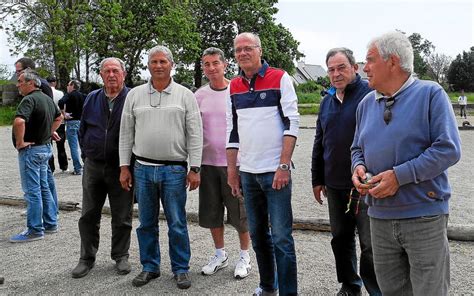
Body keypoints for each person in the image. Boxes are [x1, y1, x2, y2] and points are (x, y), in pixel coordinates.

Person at [351, 31, 461, 296]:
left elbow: (448, 149)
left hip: (423, 216)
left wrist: (399, 177)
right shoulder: (366, 103)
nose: (364, 68)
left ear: (392, 61)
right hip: (378, 217)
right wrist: (358, 167)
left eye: (370, 60)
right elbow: (357, 148)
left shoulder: (430, 94)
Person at [119, 45, 202, 289]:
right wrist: (125, 166)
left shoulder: (185, 95)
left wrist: (194, 168)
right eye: (153, 61)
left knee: (177, 222)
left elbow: (195, 134)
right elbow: (126, 133)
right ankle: (150, 266)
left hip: (174, 170)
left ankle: (180, 268)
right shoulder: (134, 95)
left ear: (171, 65)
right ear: (148, 65)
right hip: (142, 169)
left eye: (163, 62)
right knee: (146, 222)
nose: (158, 66)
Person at [226, 32, 299, 296]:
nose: (243, 53)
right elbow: (231, 131)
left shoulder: (280, 78)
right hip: (248, 173)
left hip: (274, 172)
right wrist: (232, 171)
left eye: (248, 48)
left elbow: (292, 122)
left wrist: (283, 165)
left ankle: (289, 293)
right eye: (238, 50)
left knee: (281, 238)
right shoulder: (233, 86)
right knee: (258, 236)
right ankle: (268, 287)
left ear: (259, 49)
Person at [311, 48, 380, 296]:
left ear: (355, 67)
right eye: (331, 69)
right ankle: (350, 285)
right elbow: (320, 142)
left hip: (365, 183)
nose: (336, 74)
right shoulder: (326, 102)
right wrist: (317, 179)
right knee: (340, 238)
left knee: (370, 243)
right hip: (335, 183)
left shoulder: (371, 96)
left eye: (341, 67)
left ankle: (375, 289)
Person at [70, 58, 134, 279]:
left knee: (122, 214)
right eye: (106, 71)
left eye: (115, 70)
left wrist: (130, 163)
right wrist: (88, 153)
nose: (111, 75)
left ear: (123, 74)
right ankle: (86, 258)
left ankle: (121, 255)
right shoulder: (92, 98)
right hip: (94, 165)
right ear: (101, 74)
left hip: (121, 167)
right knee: (88, 214)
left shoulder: (132, 98)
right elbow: (82, 129)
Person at [195, 47, 252, 279]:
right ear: (203, 67)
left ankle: (245, 256)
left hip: (235, 163)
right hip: (207, 163)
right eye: (206, 64)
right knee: (211, 212)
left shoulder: (237, 89)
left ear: (225, 64)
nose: (211, 68)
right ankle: (220, 254)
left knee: (240, 213)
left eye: (215, 63)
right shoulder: (198, 96)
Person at [10, 69, 62, 243]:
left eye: (20, 81)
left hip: (31, 151)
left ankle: (34, 229)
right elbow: (59, 117)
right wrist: (48, 133)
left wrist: (20, 142)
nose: (18, 85)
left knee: (32, 192)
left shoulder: (29, 99)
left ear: (31, 83)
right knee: (44, 187)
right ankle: (50, 223)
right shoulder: (47, 98)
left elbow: (19, 121)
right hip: (45, 148)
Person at [58, 80, 85, 175]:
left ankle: (78, 168)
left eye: (68, 85)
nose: (67, 86)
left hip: (72, 122)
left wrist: (63, 113)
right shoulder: (83, 96)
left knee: (74, 147)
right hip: (82, 122)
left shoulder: (69, 95)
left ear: (72, 86)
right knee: (83, 146)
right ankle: (87, 166)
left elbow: (60, 102)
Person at [47, 76, 68, 173]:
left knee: (48, 145)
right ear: (55, 83)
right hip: (59, 120)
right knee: (61, 145)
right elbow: (63, 107)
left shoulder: (44, 93)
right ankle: (64, 166)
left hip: (49, 120)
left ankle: (51, 167)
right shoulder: (60, 93)